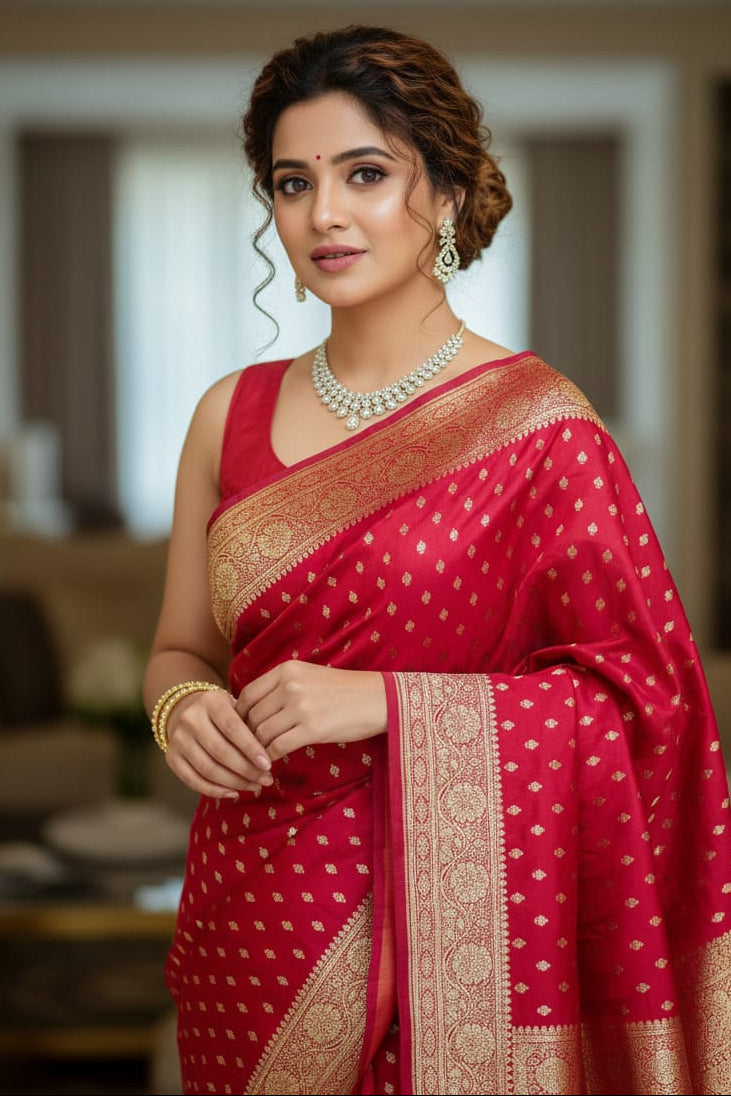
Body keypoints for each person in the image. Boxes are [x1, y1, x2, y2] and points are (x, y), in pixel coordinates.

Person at [143, 23, 731, 1096]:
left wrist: (384, 703)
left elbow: (643, 700)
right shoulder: (224, 414)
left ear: (448, 196)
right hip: (248, 915)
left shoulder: (539, 428)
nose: (323, 213)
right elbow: (182, 646)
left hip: (455, 940)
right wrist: (179, 709)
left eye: (364, 173)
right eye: (291, 181)